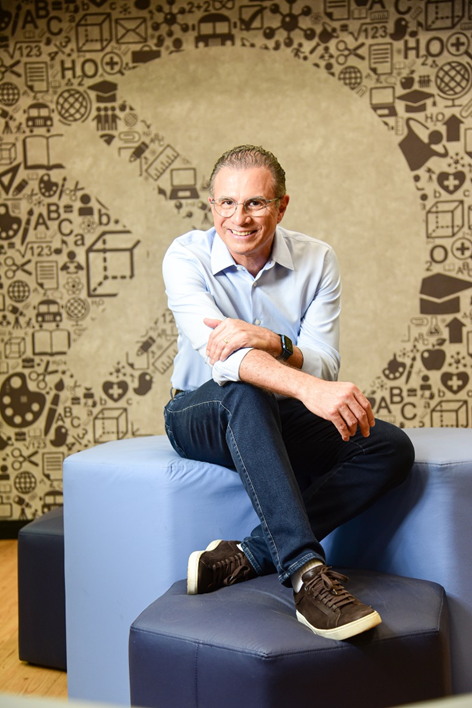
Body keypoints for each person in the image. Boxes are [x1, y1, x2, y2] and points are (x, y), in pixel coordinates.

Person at [162, 144, 415, 641]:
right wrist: (308, 388)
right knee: (245, 389)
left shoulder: (317, 259)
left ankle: (251, 553)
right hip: (200, 410)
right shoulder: (185, 256)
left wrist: (273, 340)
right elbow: (224, 360)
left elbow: (325, 358)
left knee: (388, 446)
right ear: (212, 206)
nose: (239, 218)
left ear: (281, 206)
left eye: (255, 203)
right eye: (226, 203)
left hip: (279, 415)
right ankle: (305, 574)